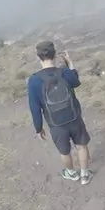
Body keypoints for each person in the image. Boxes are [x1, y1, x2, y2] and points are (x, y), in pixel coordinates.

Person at [27, 41, 93, 185]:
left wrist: (38, 129)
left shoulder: (34, 80)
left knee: (65, 151)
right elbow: (76, 82)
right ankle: (84, 175)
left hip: (56, 123)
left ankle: (71, 173)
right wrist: (70, 63)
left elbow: (34, 107)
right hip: (74, 117)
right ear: (55, 54)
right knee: (81, 146)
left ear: (38, 57)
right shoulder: (64, 72)